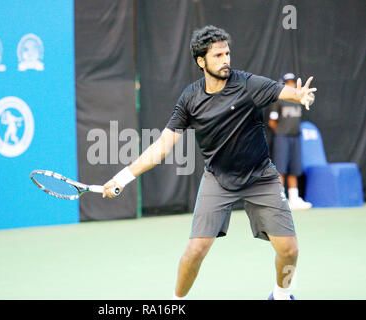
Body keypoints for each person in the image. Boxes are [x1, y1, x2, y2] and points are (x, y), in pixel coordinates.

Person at [102, 26, 316, 300]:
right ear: (201, 61)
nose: (225, 59)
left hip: (260, 177)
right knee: (195, 251)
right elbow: (161, 147)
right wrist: (122, 178)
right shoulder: (190, 99)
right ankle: (176, 302)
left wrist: (299, 95)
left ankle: (282, 294)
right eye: (217, 55)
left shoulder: (248, 84)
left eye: (227, 53)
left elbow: (282, 92)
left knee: (289, 250)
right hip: (219, 180)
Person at [268, 73, 312, 210]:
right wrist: (282, 132)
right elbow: (272, 122)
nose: (292, 84)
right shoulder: (278, 101)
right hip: (282, 138)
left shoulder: (298, 100)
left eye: (293, 82)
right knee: (281, 168)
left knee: (295, 168)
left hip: (296, 137)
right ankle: (281, 199)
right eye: (289, 82)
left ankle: (294, 198)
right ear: (283, 83)